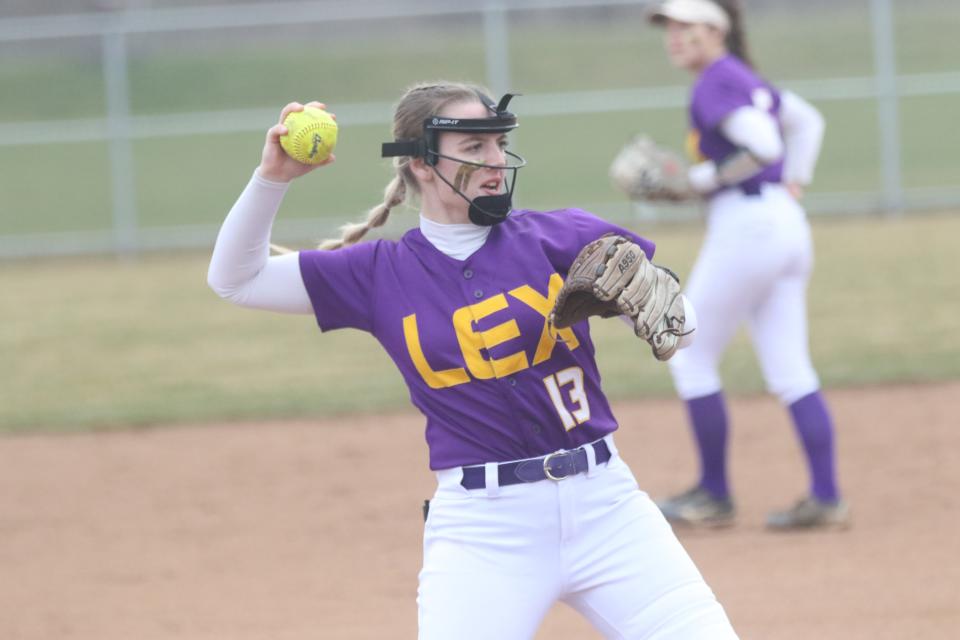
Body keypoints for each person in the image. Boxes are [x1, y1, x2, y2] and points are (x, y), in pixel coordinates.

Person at [207, 81, 740, 638]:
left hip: (608, 508)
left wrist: (660, 302)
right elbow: (235, 280)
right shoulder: (377, 274)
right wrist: (273, 179)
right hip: (485, 529)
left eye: (498, 144)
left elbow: (682, 336)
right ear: (419, 162)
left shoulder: (562, 237)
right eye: (474, 147)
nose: (495, 161)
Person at [644, 0, 850, 530]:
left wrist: (700, 180)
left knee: (688, 354)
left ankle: (714, 495)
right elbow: (807, 121)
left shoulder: (715, 80)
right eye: (670, 27)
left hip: (747, 228)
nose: (674, 37)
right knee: (790, 368)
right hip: (782, 223)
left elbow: (761, 143)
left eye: (686, 26)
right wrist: (795, 177)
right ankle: (826, 498)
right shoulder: (740, 76)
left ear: (716, 30)